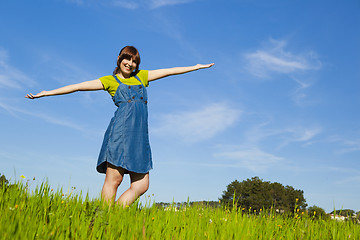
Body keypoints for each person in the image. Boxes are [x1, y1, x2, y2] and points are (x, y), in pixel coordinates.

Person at [26, 46, 214, 207]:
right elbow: (78, 86)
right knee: (114, 179)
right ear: (119, 58)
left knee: (142, 185)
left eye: (134, 61)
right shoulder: (110, 81)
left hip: (139, 136)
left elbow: (170, 71)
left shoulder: (142, 77)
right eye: (127, 59)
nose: (130, 64)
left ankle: (113, 214)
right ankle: (106, 219)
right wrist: (47, 93)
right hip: (121, 132)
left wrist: (196, 67)